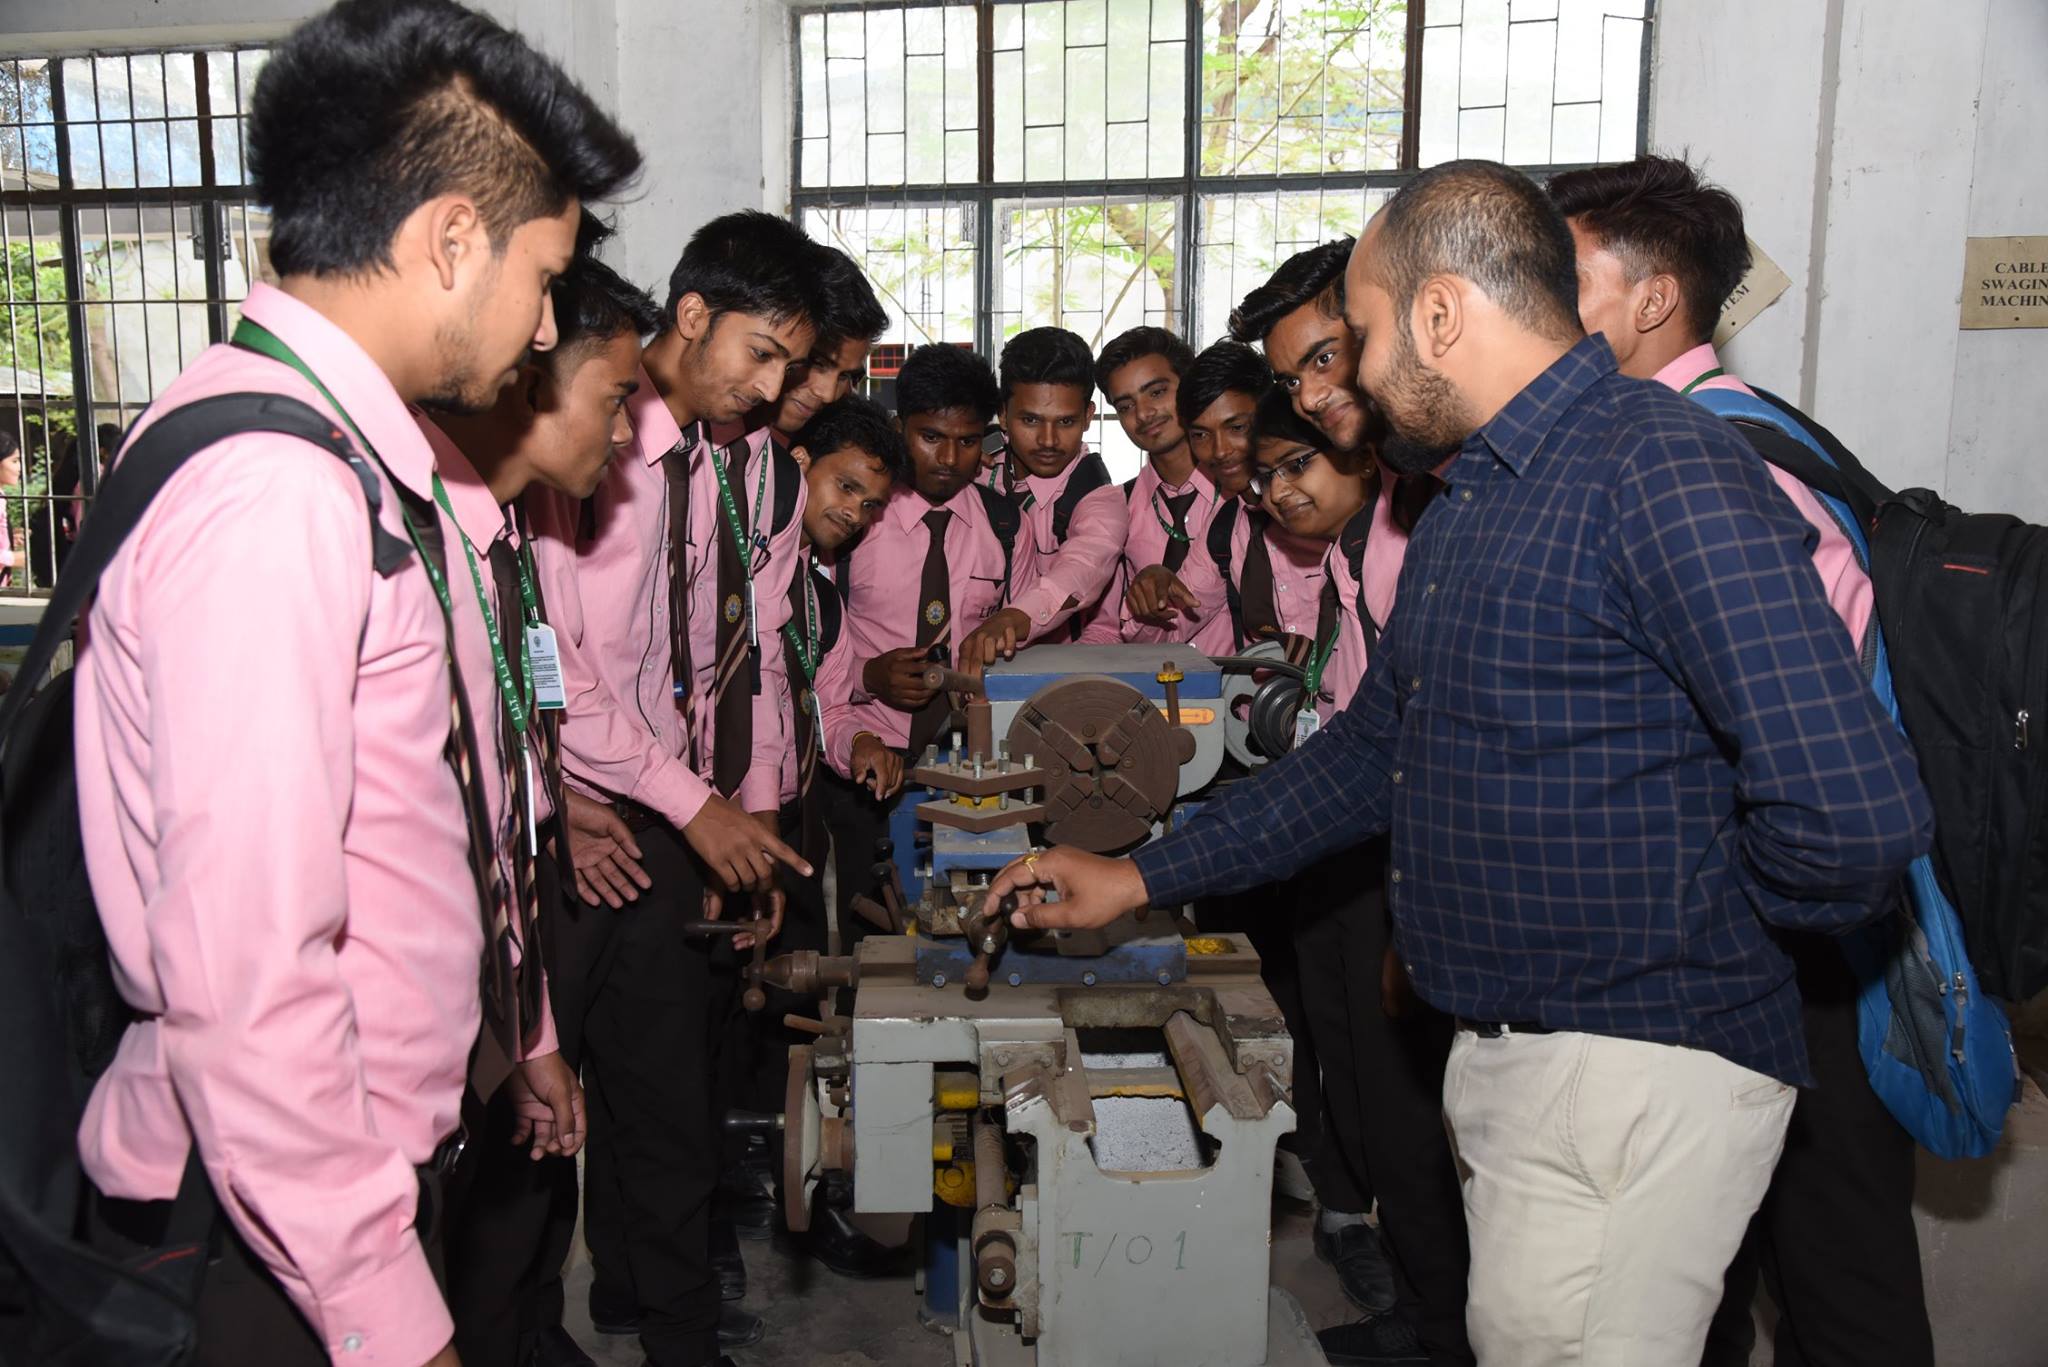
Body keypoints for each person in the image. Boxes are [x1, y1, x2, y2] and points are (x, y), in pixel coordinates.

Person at [988, 159, 1935, 1367]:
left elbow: (1851, 811)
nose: (1357, 378)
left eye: (1365, 336)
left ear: (1439, 314)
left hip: (1629, 1065)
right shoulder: (1473, 499)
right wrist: (1141, 873)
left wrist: (1688, 957)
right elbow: (1369, 751)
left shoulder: (1659, 468)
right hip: (1517, 1056)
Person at [70, 4, 639, 1366]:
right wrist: (384, 1310)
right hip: (272, 1234)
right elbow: (251, 976)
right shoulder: (276, 495)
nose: (549, 321)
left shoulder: (336, 461)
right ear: (452, 239)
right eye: (544, 274)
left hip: (333, 1190)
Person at [1549, 153, 1928, 1367]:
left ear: (1653, 298)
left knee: (1833, 1270)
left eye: (1563, 284)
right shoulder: (1687, 442)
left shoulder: (1715, 463)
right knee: (1693, 1268)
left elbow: (1812, 753)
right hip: (1740, 934)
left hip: (1792, 942)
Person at [528, 208, 817, 1367]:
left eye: (789, 367)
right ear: (690, 318)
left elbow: (701, 663)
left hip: (652, 825)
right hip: (574, 833)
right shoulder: (575, 451)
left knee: (667, 1118)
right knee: (534, 1132)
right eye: (761, 353)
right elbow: (550, 670)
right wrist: (602, 792)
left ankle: (677, 1336)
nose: (770, 385)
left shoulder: (710, 463)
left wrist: (713, 810)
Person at [418, 217, 661, 1367]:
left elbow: (507, 782)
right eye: (612, 400)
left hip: (490, 1000)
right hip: (388, 1043)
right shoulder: (410, 548)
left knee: (500, 1231)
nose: (624, 434)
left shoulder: (499, 545)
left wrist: (530, 1029)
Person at [821, 342, 1028, 944]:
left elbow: (1015, 632)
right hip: (863, 760)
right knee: (871, 933)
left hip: (969, 765)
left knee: (972, 919)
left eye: (968, 440)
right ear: (899, 427)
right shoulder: (856, 519)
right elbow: (816, 644)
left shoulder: (1005, 524)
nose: (949, 457)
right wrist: (871, 675)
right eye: (930, 436)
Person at [978, 326, 1128, 649]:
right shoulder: (976, 472)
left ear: (1088, 416)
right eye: (1030, 420)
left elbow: (1079, 571)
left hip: (1076, 669)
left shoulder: (1101, 500)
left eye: (1065, 421)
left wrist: (1010, 620)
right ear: (1003, 415)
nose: (1048, 441)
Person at [1096, 326, 1230, 653]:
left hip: (1249, 693)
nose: (1143, 414)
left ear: (1190, 386)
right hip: (1152, 692)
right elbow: (1105, 630)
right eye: (1125, 406)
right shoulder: (1118, 508)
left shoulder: (1242, 495)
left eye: (1156, 392)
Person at [764, 246, 889, 445]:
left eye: (844, 376)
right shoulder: (704, 434)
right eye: (817, 363)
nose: (828, 394)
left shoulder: (827, 454)